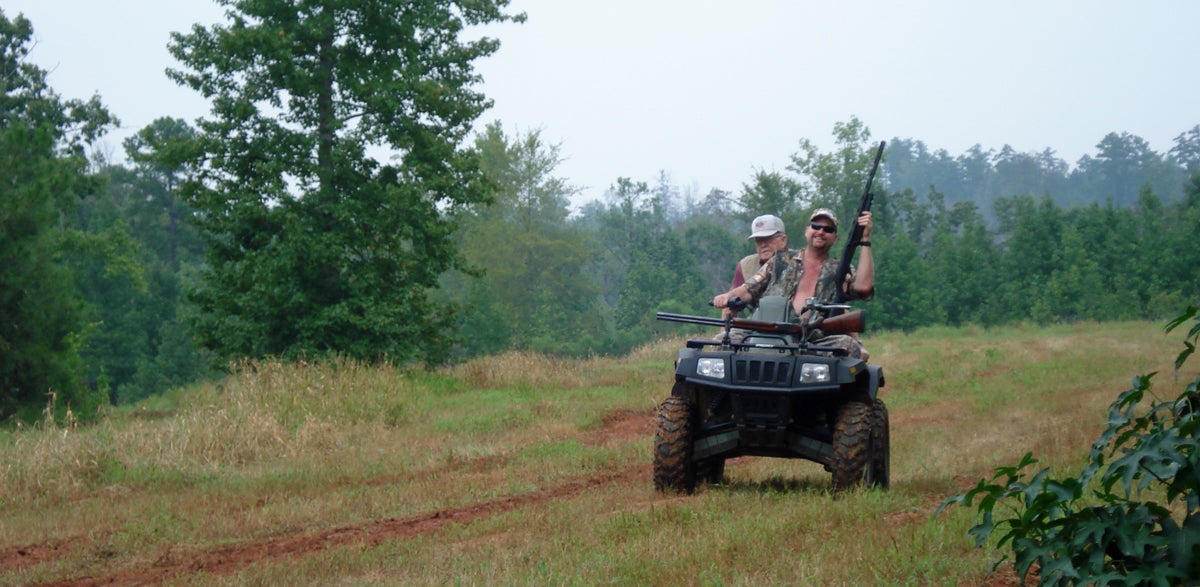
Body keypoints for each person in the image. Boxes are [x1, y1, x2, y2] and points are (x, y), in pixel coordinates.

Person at [713, 207, 875, 359]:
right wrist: (726, 297)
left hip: (811, 340)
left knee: (850, 348)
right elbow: (747, 289)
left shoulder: (839, 270)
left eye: (828, 229)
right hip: (765, 331)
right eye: (816, 226)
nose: (820, 231)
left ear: (835, 237)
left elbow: (863, 287)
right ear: (806, 231)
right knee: (721, 341)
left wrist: (865, 240)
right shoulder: (781, 260)